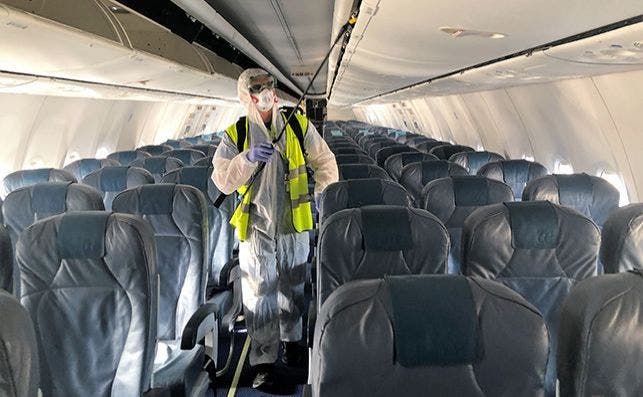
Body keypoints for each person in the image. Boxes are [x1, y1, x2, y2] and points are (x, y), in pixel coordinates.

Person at [211, 69, 338, 392]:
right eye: (258, 89)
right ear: (247, 97)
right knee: (258, 292)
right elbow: (223, 179)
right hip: (255, 224)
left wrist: (324, 194)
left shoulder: (297, 124)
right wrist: (246, 158)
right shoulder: (236, 133)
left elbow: (324, 160)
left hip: (293, 220)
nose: (267, 93)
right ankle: (264, 359)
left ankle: (292, 342)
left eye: (269, 87)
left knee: (293, 284)